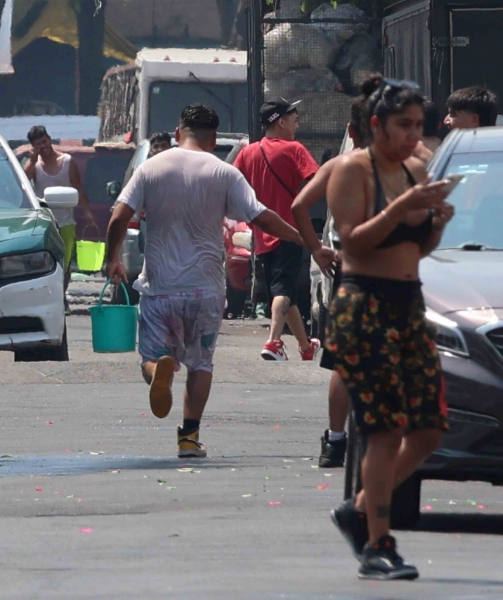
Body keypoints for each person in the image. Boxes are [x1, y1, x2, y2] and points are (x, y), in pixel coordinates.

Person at [106, 104, 304, 458]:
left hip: (161, 289)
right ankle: (189, 439)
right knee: (201, 364)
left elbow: (118, 217)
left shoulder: (151, 168)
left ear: (179, 131)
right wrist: (302, 238)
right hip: (206, 291)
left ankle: (158, 373)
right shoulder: (223, 172)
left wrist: (112, 259)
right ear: (213, 138)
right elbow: (262, 216)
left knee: (151, 356)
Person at [325, 79, 454, 580]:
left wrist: (437, 220)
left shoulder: (416, 170)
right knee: (384, 429)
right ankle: (378, 542)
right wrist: (402, 208)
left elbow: (415, 251)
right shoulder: (352, 171)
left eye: (418, 126)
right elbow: (353, 244)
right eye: (403, 125)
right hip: (363, 306)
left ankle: (358, 507)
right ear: (376, 125)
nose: (412, 136)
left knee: (428, 427)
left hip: (409, 304)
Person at [291, 76, 381, 468]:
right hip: (393, 275)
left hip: (349, 273)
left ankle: (337, 440)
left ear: (351, 130)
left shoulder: (338, 165)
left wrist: (317, 249)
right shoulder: (404, 167)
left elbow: (298, 207)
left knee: (343, 364)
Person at [234, 97, 321, 361]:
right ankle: (273, 342)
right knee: (283, 289)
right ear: (281, 122)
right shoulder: (294, 149)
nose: (296, 123)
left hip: (261, 233)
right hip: (289, 232)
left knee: (283, 291)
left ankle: (306, 347)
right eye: (293, 119)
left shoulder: (247, 153)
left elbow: (235, 186)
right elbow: (318, 181)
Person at [23, 126, 94, 311]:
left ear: (49, 138)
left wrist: (87, 212)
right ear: (33, 147)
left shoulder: (67, 161)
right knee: (46, 262)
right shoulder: (34, 165)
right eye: (38, 145)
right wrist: (31, 159)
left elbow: (78, 187)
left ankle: (61, 297)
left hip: (66, 223)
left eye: (44, 141)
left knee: (65, 263)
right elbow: (22, 182)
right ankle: (46, 299)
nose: (43, 146)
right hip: (43, 224)